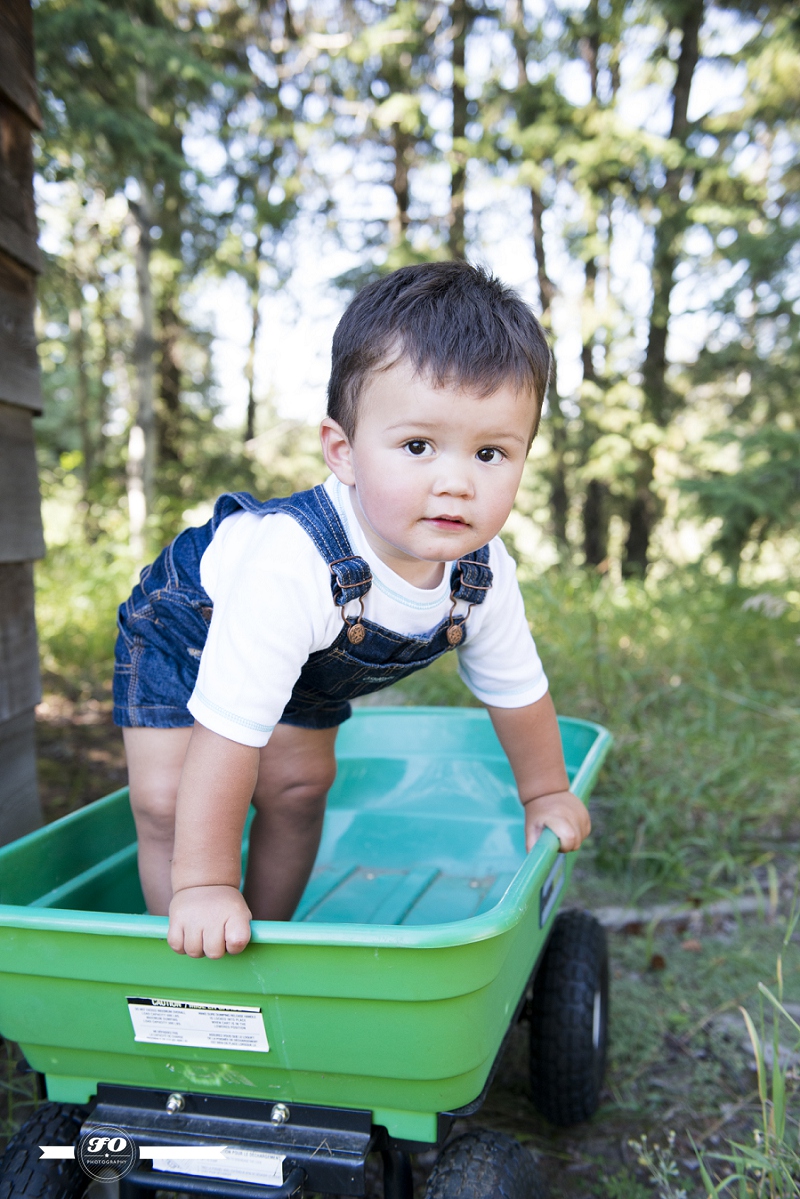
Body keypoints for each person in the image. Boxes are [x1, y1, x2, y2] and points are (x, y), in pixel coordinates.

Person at [113, 261, 590, 961]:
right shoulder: (292, 564)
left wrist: (544, 790)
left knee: (300, 787)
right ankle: (189, 935)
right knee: (168, 800)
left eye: (491, 452)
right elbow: (227, 734)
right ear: (343, 451)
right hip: (191, 623)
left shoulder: (481, 574)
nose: (455, 481)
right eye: (418, 446)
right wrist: (208, 882)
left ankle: (261, 939)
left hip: (305, 656)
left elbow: (518, 692)